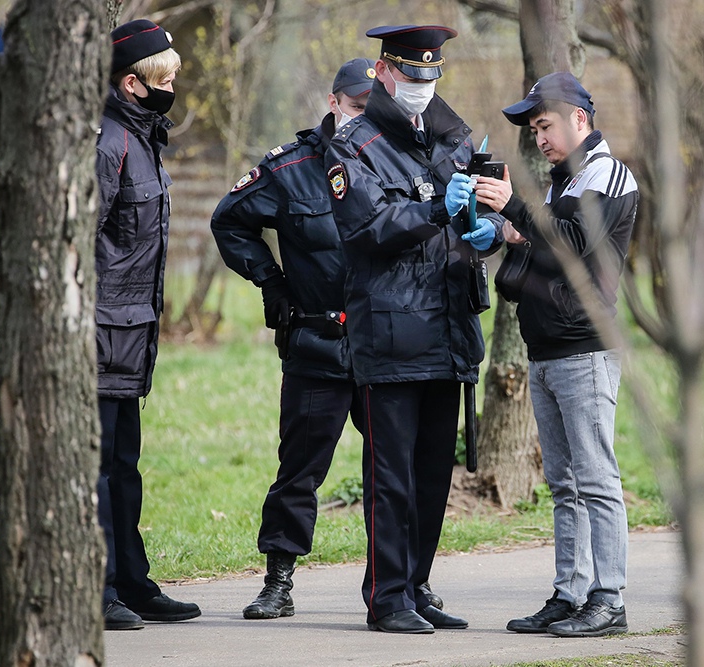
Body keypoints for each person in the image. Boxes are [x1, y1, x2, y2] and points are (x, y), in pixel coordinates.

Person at [211, 58, 446, 620]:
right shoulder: (291, 168)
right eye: (360, 107)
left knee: (398, 470)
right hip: (321, 339)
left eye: (376, 107)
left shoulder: (400, 158)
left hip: (388, 342)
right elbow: (230, 219)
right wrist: (271, 281)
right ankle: (279, 578)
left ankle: (404, 584)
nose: (368, 117)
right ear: (335, 103)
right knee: (300, 466)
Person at [325, 24, 503, 634]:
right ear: (384, 72)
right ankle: (388, 596)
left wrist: (487, 234)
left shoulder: (454, 138)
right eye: (411, 75)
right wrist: (436, 210)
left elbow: (467, 218)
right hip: (390, 332)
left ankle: (418, 584)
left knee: (432, 476)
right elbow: (366, 226)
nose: (422, 87)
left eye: (432, 76)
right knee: (390, 478)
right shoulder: (354, 144)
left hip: (448, 330)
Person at [474, 71, 638, 637]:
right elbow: (541, 246)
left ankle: (608, 599)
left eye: (545, 125)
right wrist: (503, 234)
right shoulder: (559, 184)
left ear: (579, 119)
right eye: (534, 129)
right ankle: (570, 594)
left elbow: (571, 240)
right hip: (546, 350)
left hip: (585, 351)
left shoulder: (607, 175)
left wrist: (515, 212)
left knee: (596, 480)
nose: (539, 138)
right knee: (565, 485)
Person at [96, 19, 200, 631]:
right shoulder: (109, 143)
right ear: (134, 84)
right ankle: (99, 586)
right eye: (167, 80)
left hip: (130, 337)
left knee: (124, 466)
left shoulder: (144, 138)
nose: (174, 88)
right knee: (99, 467)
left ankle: (132, 582)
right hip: (100, 336)